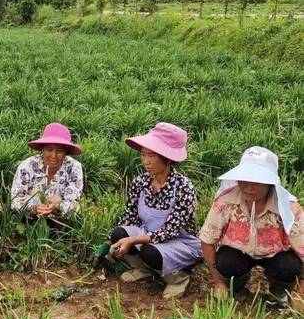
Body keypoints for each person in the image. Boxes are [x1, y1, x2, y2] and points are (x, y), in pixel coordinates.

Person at [199, 147, 303, 308]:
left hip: (276, 255)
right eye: (245, 179)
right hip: (239, 253)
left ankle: (279, 290)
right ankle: (236, 285)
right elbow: (207, 240)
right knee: (227, 262)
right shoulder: (226, 201)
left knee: (288, 266)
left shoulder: (287, 207)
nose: (249, 187)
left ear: (270, 183)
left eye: (257, 181)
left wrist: (300, 290)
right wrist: (218, 282)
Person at [108, 122, 201, 299]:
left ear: (167, 158)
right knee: (118, 233)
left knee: (149, 251)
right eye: (143, 155)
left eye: (152, 155)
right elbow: (130, 216)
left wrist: (134, 240)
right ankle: (144, 269)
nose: (146, 161)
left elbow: (170, 231)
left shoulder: (183, 187)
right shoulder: (140, 182)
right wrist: (113, 241)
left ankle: (178, 279)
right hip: (148, 234)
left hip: (179, 243)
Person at [11, 123, 84, 218]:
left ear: (66, 153)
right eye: (49, 149)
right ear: (42, 149)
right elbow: (15, 200)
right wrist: (34, 208)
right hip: (28, 219)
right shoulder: (27, 166)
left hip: (61, 220)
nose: (54, 156)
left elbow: (75, 202)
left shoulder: (74, 167)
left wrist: (57, 207)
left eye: (60, 151)